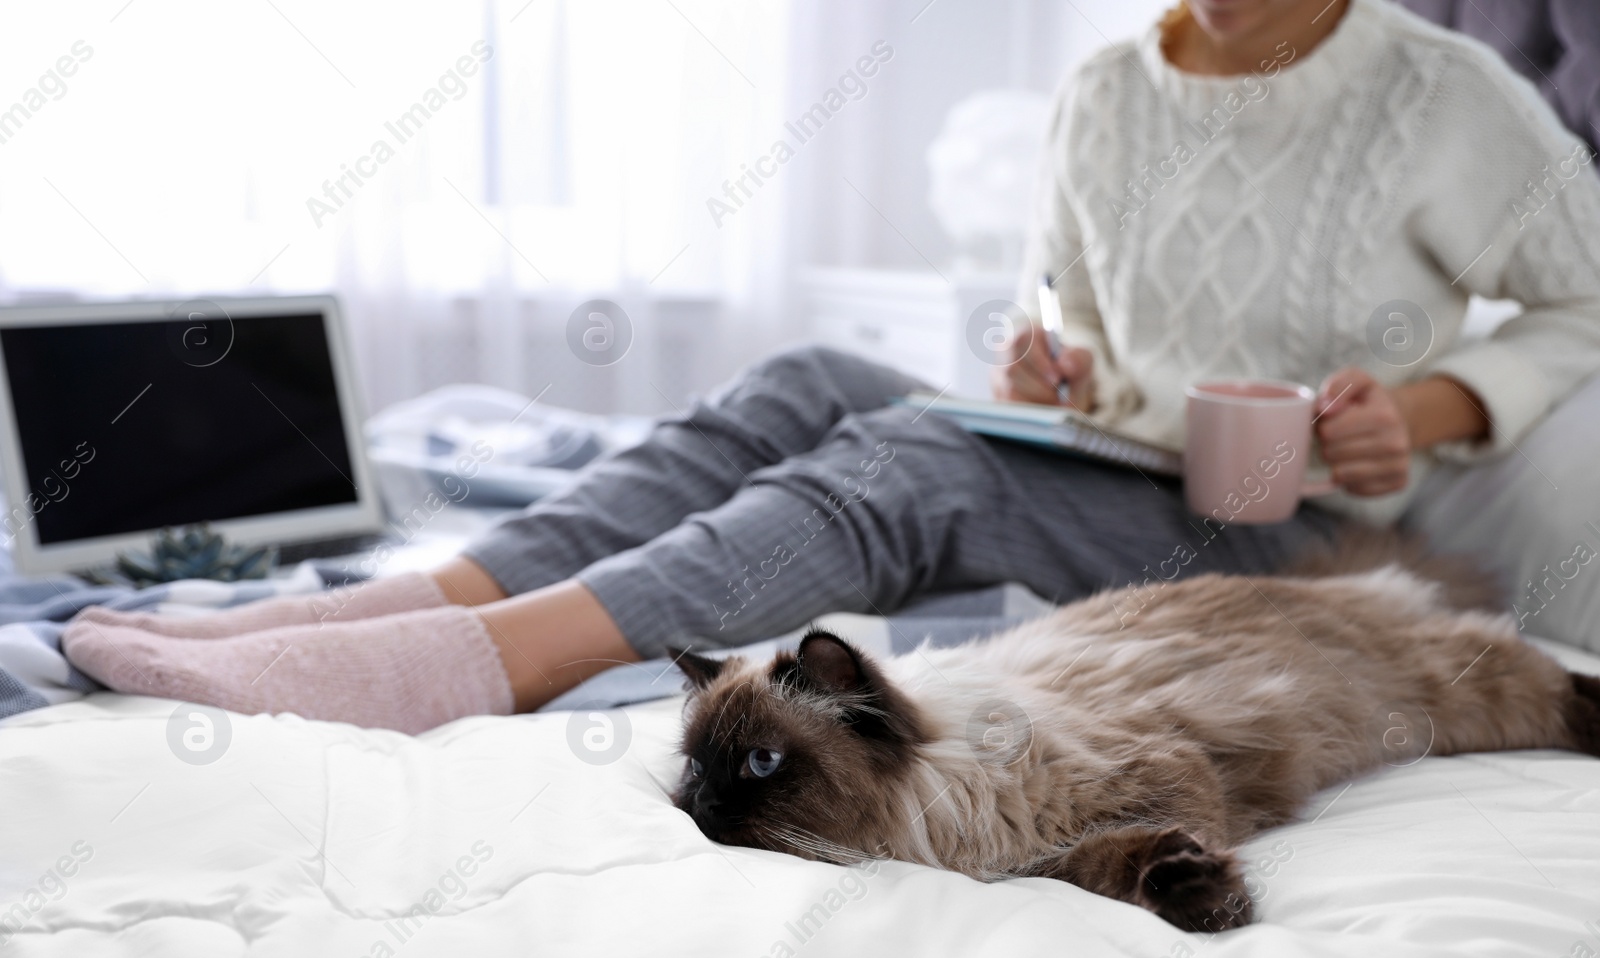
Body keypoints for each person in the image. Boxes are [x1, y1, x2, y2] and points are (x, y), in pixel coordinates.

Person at [63, 0, 1600, 731]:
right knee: (807, 377)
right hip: (1107, 457)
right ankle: (411, 598)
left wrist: (1431, 406)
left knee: (906, 468)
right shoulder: (1103, 92)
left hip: (1270, 523)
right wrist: (1047, 358)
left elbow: (1580, 303)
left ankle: (470, 670)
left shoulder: (1442, 97)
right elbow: (1068, 304)